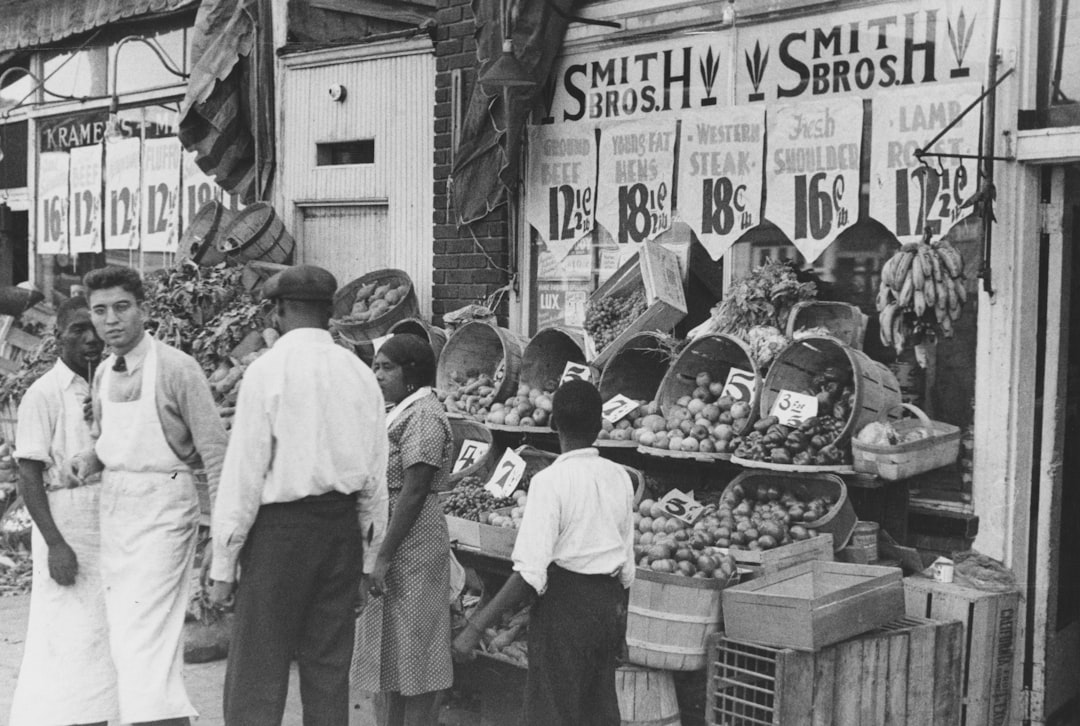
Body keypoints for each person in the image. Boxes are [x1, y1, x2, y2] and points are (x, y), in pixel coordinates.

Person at [207, 265, 389, 726]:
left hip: (279, 538)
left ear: (279, 310)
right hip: (340, 535)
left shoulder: (268, 371)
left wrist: (223, 566)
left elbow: (243, 477)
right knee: (328, 674)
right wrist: (366, 563)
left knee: (257, 672)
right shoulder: (361, 374)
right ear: (329, 313)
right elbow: (375, 480)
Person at [70, 265, 228, 726]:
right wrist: (90, 457)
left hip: (165, 508)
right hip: (117, 511)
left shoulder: (178, 368)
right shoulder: (102, 373)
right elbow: (107, 440)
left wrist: (221, 536)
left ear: (143, 309)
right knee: (124, 637)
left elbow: (215, 453)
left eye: (121, 307)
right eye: (100, 311)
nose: (110, 320)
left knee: (147, 638)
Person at [451, 379, 635, 726]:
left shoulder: (550, 482)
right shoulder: (620, 477)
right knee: (597, 711)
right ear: (599, 425)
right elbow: (627, 567)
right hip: (605, 607)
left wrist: (476, 627)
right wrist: (621, 630)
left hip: (565, 608)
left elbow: (530, 573)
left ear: (553, 426)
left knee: (552, 712)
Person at [8, 297, 116, 726]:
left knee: (101, 639)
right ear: (58, 337)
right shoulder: (44, 393)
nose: (91, 339)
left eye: (96, 329)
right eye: (78, 330)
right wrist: (56, 544)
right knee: (67, 638)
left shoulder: (110, 382)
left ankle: (101, 716)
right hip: (66, 525)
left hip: (106, 523)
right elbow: (29, 477)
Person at [353, 333, 454, 726]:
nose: (376, 374)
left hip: (412, 542)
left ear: (412, 373)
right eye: (375, 366)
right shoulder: (401, 410)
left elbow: (413, 492)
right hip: (392, 537)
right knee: (391, 648)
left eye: (386, 367)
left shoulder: (425, 415)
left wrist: (383, 556)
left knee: (416, 648)